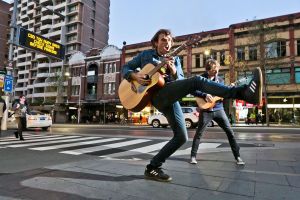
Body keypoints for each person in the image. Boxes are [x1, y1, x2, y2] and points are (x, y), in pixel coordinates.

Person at [121, 29, 262, 182]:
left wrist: (174, 70)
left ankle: (153, 167)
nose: (167, 43)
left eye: (169, 41)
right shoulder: (145, 56)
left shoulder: (174, 59)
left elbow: (181, 80)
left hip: (171, 96)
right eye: (163, 40)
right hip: (157, 96)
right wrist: (135, 76)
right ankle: (241, 93)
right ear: (156, 42)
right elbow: (125, 68)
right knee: (196, 81)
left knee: (182, 137)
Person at [190, 59, 245, 166]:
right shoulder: (200, 79)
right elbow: (192, 90)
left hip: (219, 109)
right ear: (208, 70)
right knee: (199, 134)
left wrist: (228, 91)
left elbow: (224, 94)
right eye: (214, 70)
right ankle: (193, 156)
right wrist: (204, 95)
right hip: (206, 110)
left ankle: (237, 156)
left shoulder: (220, 80)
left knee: (230, 132)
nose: (216, 72)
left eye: (217, 70)